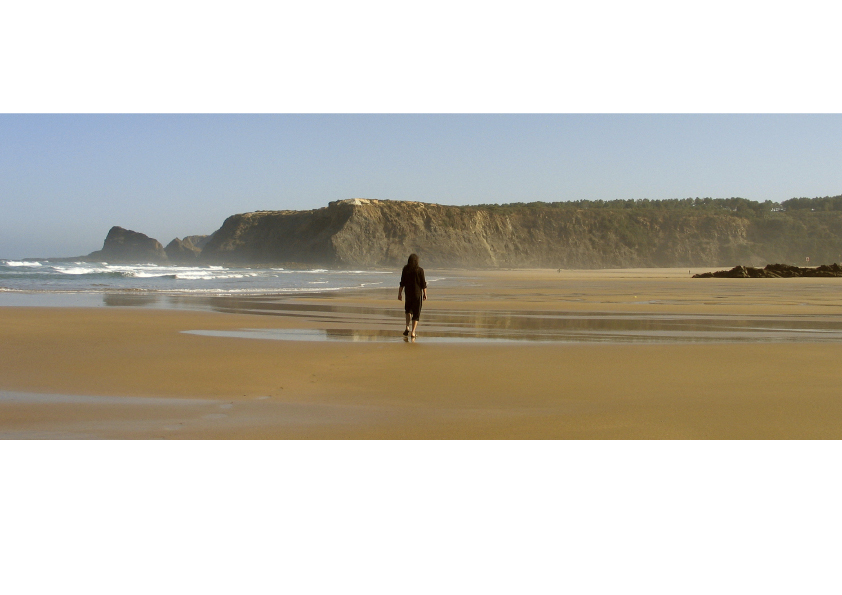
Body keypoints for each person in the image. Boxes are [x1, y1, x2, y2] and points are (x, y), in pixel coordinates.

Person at [398, 253, 427, 338]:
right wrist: (425, 294)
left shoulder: (405, 269)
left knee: (408, 310)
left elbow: (402, 283)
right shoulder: (420, 270)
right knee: (416, 313)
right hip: (417, 294)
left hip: (408, 293)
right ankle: (413, 332)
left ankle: (407, 326)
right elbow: (423, 284)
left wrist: (399, 293)